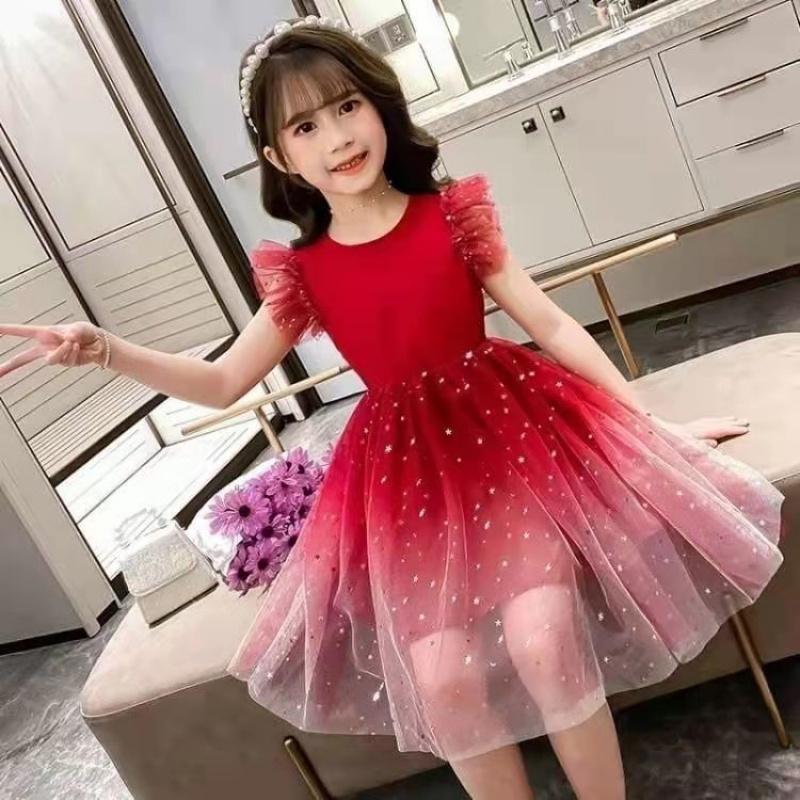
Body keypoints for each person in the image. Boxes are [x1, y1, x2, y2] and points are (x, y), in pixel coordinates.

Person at [0, 15, 785, 800]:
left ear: (379, 105)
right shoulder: (303, 274)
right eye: (306, 126)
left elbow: (548, 323)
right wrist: (106, 350)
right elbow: (223, 382)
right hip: (407, 479)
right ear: (280, 158)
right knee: (443, 680)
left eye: (348, 106)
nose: (338, 136)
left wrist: (648, 431)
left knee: (544, 638)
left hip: (508, 441)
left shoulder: (452, 217)